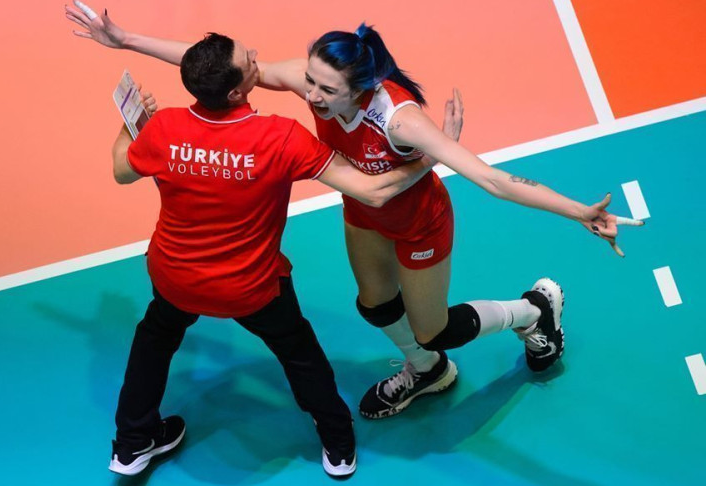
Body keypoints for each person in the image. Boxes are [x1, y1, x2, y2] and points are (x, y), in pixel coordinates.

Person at [66, 3, 643, 421]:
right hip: (366, 211)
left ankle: (534, 312)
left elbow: (492, 178)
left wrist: (578, 212)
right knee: (374, 305)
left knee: (434, 327)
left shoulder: (399, 120)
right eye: (309, 82)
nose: (310, 95)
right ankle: (427, 371)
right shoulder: (316, 84)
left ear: (360, 87)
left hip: (419, 224)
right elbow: (227, 75)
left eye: (324, 90)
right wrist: (126, 40)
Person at [92, 29, 453, 478]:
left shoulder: (163, 128)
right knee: (299, 352)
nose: (256, 56)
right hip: (251, 285)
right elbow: (372, 191)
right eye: (249, 60)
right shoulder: (280, 137)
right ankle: (338, 443)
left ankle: (131, 444)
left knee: (154, 340)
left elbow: (121, 169)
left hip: (174, 277)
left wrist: (130, 126)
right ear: (236, 91)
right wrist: (431, 156)